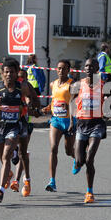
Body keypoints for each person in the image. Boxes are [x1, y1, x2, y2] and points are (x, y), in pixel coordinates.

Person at [0, 58, 39, 203]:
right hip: (0, 127)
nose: (9, 74)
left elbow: (34, 98)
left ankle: (1, 190)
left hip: (16, 125)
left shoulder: (23, 87)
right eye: (6, 72)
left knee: (8, 155)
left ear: (16, 74)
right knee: (3, 158)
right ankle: (8, 173)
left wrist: (31, 106)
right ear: (2, 73)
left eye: (12, 72)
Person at [71, 58, 107, 204]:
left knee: (89, 159)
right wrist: (71, 120)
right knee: (80, 160)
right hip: (81, 124)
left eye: (91, 66)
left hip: (97, 124)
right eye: (86, 66)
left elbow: (110, 101)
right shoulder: (79, 85)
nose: (88, 68)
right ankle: (76, 160)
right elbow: (71, 102)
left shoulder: (103, 85)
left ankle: (89, 192)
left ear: (97, 68)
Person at [42, 60, 76, 192]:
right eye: (59, 68)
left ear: (68, 70)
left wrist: (73, 122)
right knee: (53, 148)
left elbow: (74, 104)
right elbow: (54, 100)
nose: (60, 71)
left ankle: (76, 157)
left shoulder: (72, 84)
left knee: (68, 151)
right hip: (56, 120)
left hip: (69, 121)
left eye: (63, 69)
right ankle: (52, 181)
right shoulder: (53, 84)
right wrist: (48, 108)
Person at [10, 69, 41, 196]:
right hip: (11, 125)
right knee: (13, 155)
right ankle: (10, 174)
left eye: (23, 77)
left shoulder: (27, 88)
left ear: (26, 79)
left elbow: (33, 102)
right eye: (19, 77)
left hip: (25, 125)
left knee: (22, 154)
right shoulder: (11, 89)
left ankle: (21, 181)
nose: (21, 79)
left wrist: (32, 107)